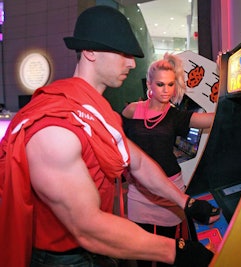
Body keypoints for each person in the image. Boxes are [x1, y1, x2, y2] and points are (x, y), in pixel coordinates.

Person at [0, 5, 220, 267]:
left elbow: (137, 163)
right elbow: (88, 227)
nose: (131, 63)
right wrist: (177, 251)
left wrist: (187, 202)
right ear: (90, 52)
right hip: (65, 258)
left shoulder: (97, 110)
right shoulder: (56, 129)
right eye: (122, 53)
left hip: (96, 249)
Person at [121, 53, 215, 267]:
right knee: (141, 249)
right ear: (150, 85)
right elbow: (116, 134)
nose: (166, 89)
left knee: (168, 252)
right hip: (139, 191)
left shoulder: (175, 116)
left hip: (169, 189)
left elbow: (210, 119)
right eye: (160, 84)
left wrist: (231, 91)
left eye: (171, 84)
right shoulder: (132, 110)